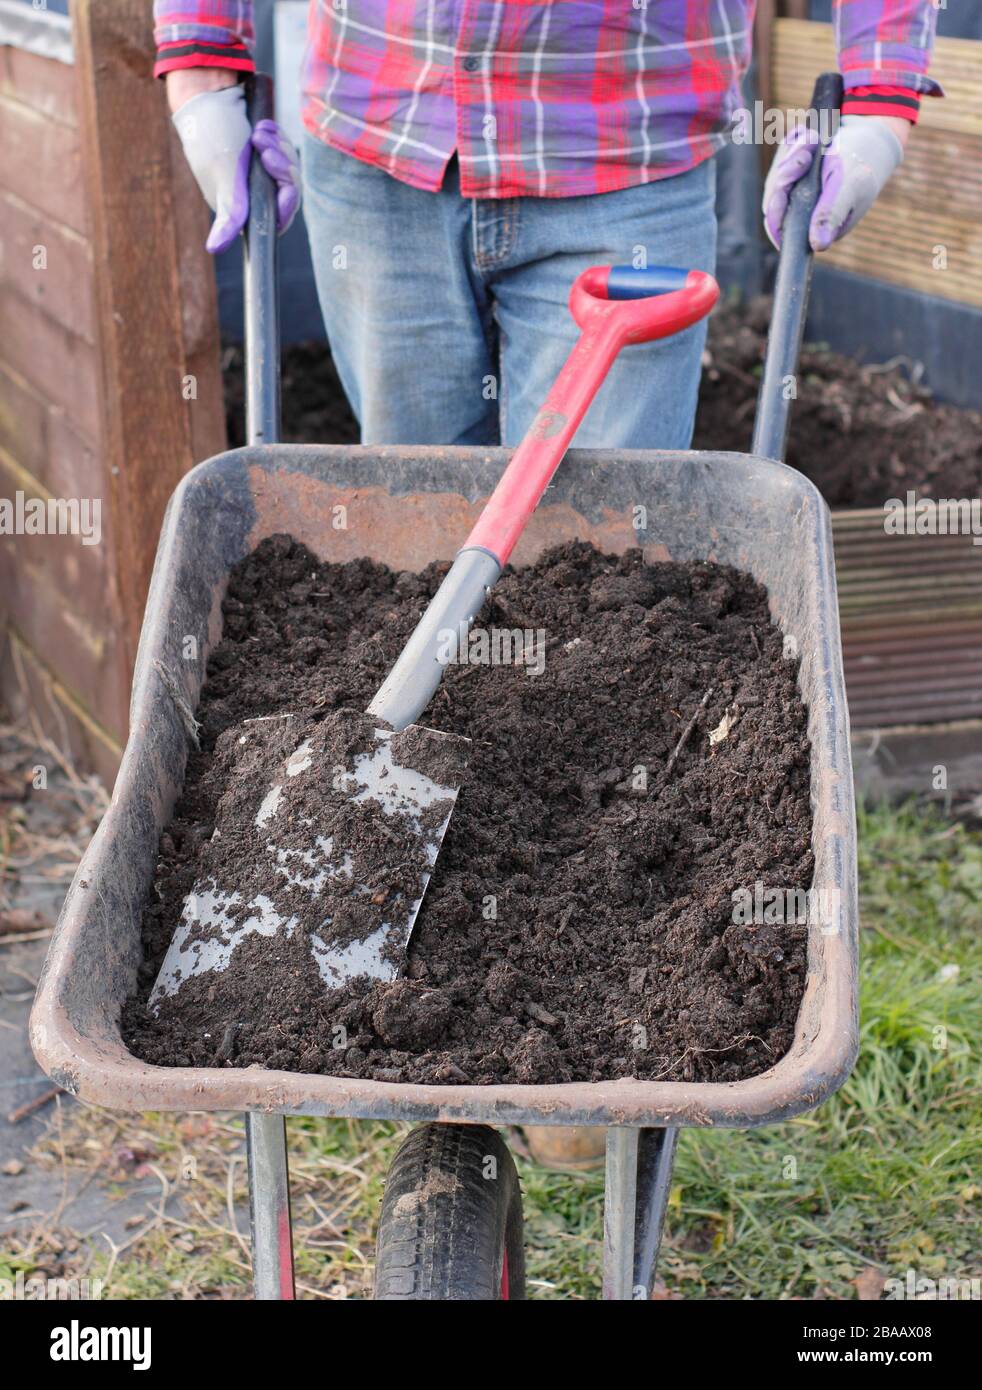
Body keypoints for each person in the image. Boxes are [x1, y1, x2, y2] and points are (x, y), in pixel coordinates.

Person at [156, 2, 938, 451]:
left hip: (627, 144)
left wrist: (878, 106)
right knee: (413, 533)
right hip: (381, 140)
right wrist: (200, 65)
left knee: (597, 561)